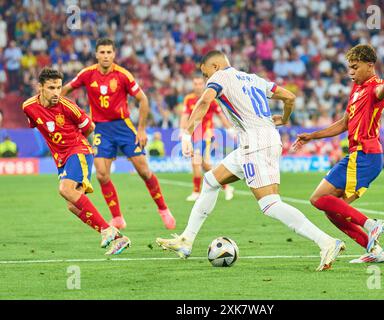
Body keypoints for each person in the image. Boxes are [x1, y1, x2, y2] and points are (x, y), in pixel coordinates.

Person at [156, 50, 345, 271]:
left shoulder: (220, 77)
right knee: (210, 181)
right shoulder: (254, 79)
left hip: (253, 143)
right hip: (268, 138)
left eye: (205, 73)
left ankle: (326, 242)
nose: (206, 79)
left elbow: (204, 101)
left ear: (215, 67)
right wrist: (284, 119)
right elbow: (290, 97)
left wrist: (186, 134)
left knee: (270, 204)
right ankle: (186, 240)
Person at [293, 44, 384, 264]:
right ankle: (376, 251)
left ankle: (371, 225)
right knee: (332, 210)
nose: (350, 72)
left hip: (366, 156)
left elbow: (382, 92)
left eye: (355, 67)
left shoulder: (376, 86)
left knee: (318, 198)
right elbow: (344, 123)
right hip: (356, 156)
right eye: (349, 67)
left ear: (370, 66)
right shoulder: (356, 89)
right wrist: (312, 136)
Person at [61, 38, 175, 230]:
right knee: (102, 175)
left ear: (114, 54)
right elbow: (64, 91)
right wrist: (70, 114)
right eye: (102, 52)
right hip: (100, 129)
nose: (105, 56)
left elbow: (143, 100)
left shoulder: (123, 75)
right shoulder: (87, 74)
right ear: (96, 54)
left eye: (109, 52)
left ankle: (163, 209)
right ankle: (117, 218)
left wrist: (141, 129)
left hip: (123, 127)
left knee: (144, 171)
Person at [22, 68, 130, 255]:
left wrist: (74, 142)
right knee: (72, 205)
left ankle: (107, 230)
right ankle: (119, 238)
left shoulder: (68, 106)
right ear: (40, 87)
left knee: (65, 189)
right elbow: (37, 125)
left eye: (59, 87)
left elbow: (90, 128)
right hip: (61, 159)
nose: (56, 92)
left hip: (78, 151)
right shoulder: (28, 107)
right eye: (51, 88)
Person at [180, 74, 236, 202]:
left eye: (200, 84)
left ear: (204, 84)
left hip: (206, 135)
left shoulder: (209, 98)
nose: (198, 86)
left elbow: (221, 115)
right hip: (193, 136)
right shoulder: (188, 99)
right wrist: (182, 130)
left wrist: (229, 129)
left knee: (196, 161)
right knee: (205, 165)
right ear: (193, 85)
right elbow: (184, 115)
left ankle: (196, 191)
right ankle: (226, 186)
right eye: (195, 84)